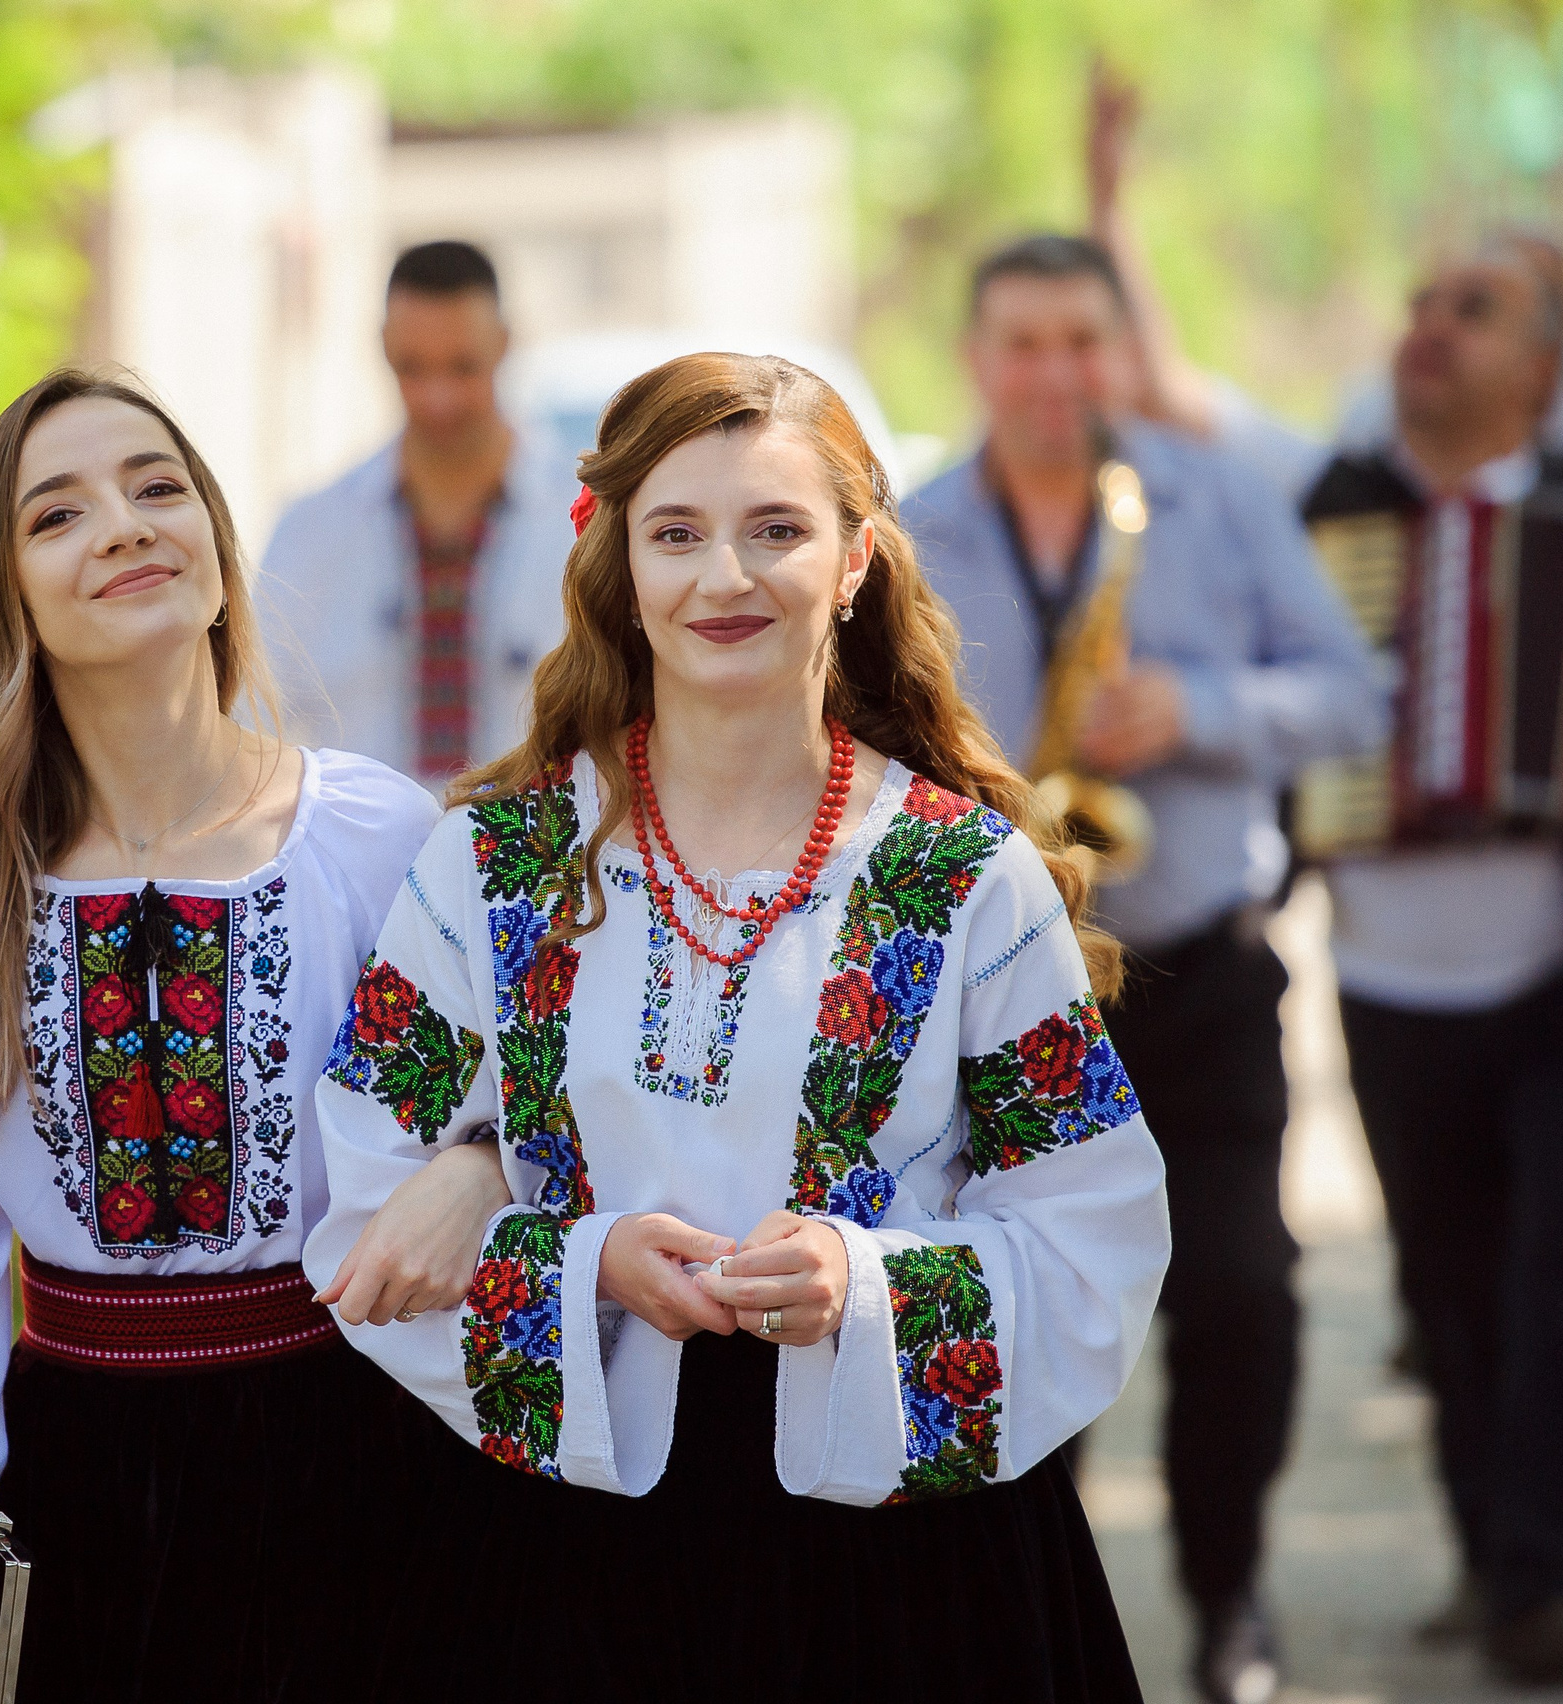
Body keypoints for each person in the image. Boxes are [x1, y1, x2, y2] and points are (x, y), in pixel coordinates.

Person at [306, 351, 1169, 1698]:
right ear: (619, 567)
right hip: (557, 1561)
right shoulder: (492, 866)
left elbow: (1095, 1229)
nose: (725, 577)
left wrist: (863, 1282)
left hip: (895, 1566)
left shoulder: (961, 877)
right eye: (678, 533)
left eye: (777, 530)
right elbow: (361, 1199)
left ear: (854, 561)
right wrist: (581, 1262)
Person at [0, 369, 513, 1703]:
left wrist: (478, 1165)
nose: (124, 524)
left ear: (221, 556)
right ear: (2, 599)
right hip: (79, 1494)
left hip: (368, 1457)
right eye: (55, 514)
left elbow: (518, 1103)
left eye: (158, 487)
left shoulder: (379, 837)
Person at [903, 237, 1387, 1704]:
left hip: (1200, 974)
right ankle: (1034, 1609)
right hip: (995, 998)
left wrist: (1204, 706)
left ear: (1122, 353)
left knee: (1242, 1295)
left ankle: (1228, 1591)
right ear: (977, 357)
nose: (1056, 376)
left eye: (1082, 342)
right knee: (1013, 1301)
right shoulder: (910, 526)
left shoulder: (1220, 495)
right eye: (1024, 343)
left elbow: (1357, 692)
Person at [1298, 243, 1563, 1684]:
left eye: (1471, 313)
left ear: (1542, 372)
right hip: (1386, 975)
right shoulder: (1330, 516)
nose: (1428, 330)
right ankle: (1494, 1559)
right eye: (1417, 304)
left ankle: (1552, 1572)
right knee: (1445, 1282)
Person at [262, 240, 575, 782]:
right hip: (366, 858)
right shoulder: (312, 532)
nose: (439, 399)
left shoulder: (584, 523)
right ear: (382, 349)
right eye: (412, 368)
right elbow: (252, 725)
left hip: (541, 854)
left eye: (462, 368)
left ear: (505, 345)